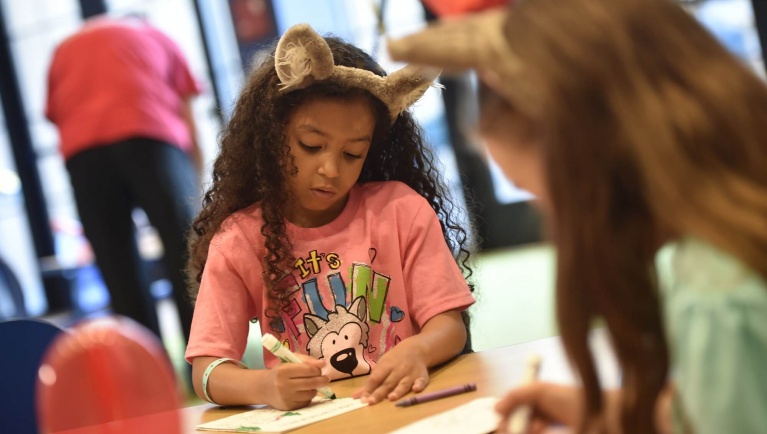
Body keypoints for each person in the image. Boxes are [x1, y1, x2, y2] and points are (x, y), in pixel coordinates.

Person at [387, 0, 767, 433]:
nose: (551, 221)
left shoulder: (716, 295)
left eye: (545, 196)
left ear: (605, 163)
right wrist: (596, 412)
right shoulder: (733, 246)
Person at [184, 23, 476, 411]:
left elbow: (449, 326)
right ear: (272, 138)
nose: (330, 170)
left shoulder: (399, 210)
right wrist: (265, 386)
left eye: (352, 153)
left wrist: (418, 351)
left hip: (404, 408)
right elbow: (208, 371)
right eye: (311, 145)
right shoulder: (239, 240)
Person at [46, 15, 202, 348]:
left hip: (83, 152)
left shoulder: (65, 47)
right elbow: (187, 112)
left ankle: (145, 373)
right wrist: (196, 179)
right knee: (185, 251)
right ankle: (207, 361)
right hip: (151, 134)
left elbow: (57, 115)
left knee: (118, 269)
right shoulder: (158, 37)